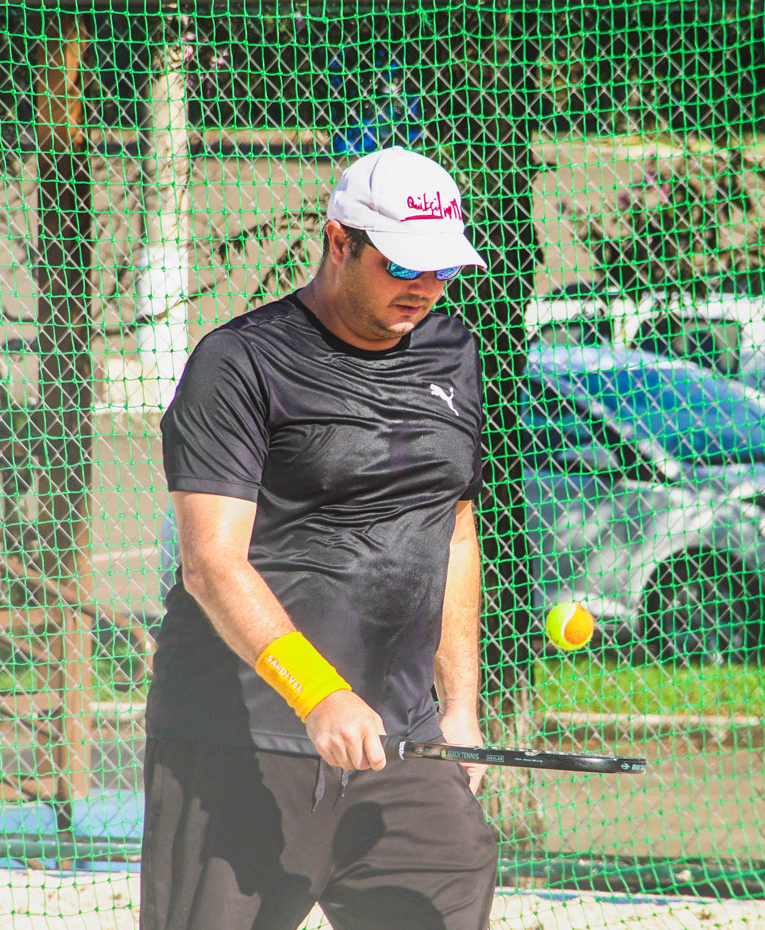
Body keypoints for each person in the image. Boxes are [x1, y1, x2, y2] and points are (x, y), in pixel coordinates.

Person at [141, 146, 498, 930]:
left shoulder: (453, 352)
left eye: (442, 269)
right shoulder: (240, 361)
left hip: (400, 744)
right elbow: (210, 562)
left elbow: (451, 531)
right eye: (402, 265)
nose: (424, 287)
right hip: (241, 740)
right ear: (339, 242)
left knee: (450, 881)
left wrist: (459, 709)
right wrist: (319, 693)